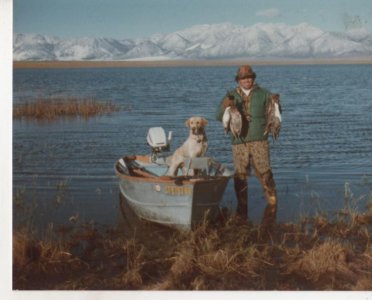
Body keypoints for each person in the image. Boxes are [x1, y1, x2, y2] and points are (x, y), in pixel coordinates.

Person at [216, 65, 280, 227]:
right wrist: (225, 105)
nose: (247, 80)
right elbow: (218, 116)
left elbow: (276, 115)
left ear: (253, 78)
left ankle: (272, 201)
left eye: (249, 77)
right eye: (244, 78)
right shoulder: (231, 95)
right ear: (239, 80)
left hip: (260, 139)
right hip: (239, 142)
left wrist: (277, 103)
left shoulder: (264, 94)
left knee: (264, 171)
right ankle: (242, 205)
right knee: (240, 174)